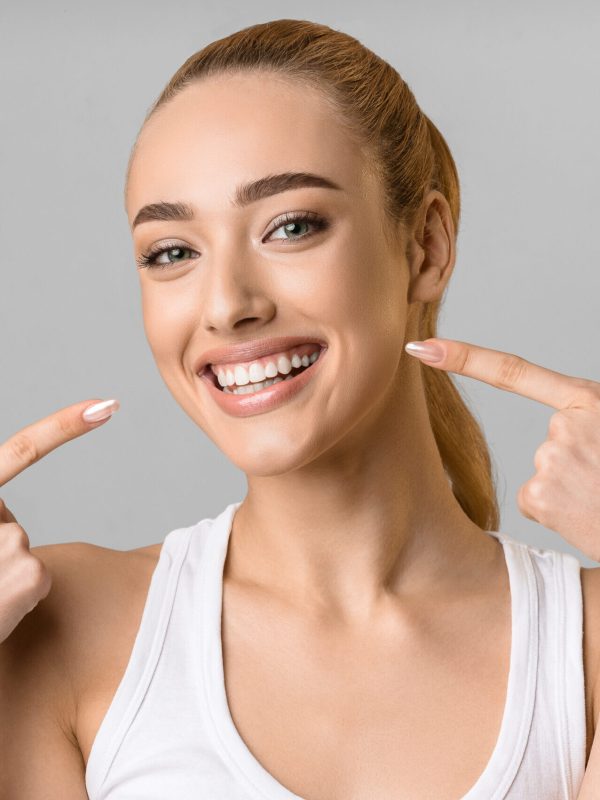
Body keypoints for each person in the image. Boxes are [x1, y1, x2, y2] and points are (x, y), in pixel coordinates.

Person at [1, 18, 599, 800]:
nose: (226, 306)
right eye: (172, 252)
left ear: (426, 246)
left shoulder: (583, 646)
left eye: (291, 226)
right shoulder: (60, 628)